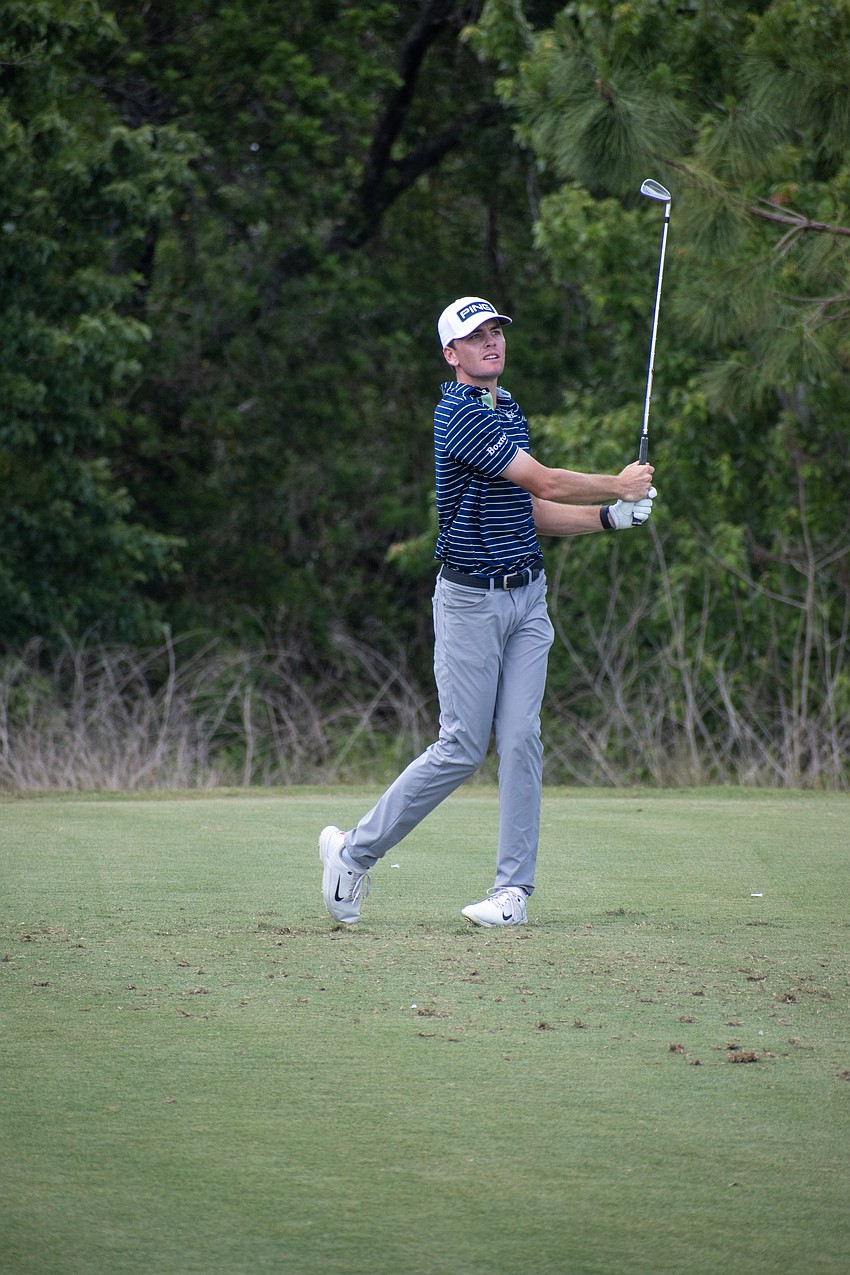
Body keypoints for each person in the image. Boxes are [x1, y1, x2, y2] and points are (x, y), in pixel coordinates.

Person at [319, 295, 656, 927]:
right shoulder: (459, 417)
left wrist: (608, 517)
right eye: (476, 337)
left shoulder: (508, 410)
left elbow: (532, 511)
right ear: (452, 354)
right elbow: (546, 481)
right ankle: (353, 854)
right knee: (462, 746)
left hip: (528, 598)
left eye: (496, 332)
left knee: (522, 739)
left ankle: (512, 894)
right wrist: (617, 484)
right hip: (470, 601)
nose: (491, 342)